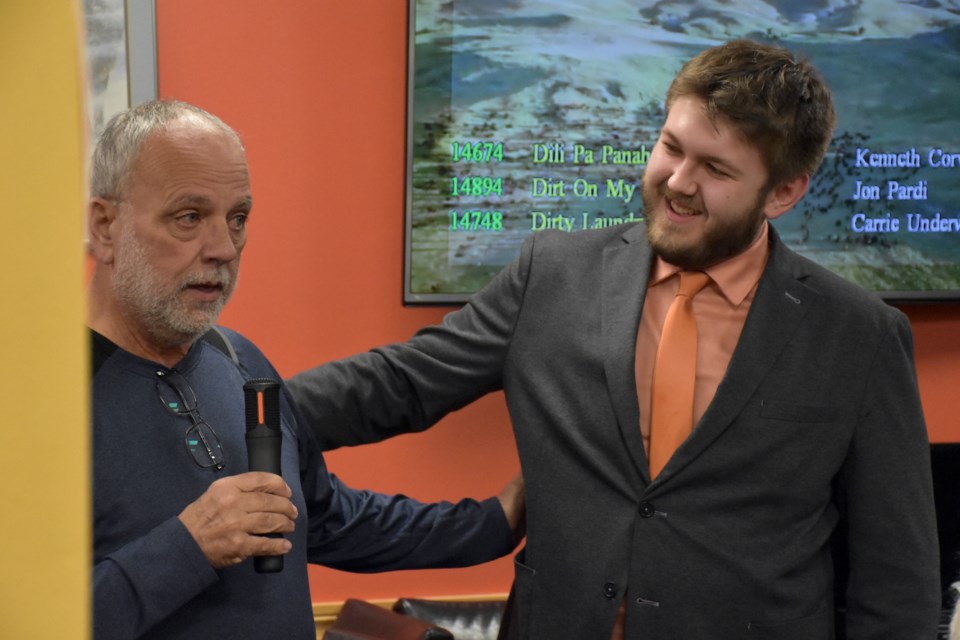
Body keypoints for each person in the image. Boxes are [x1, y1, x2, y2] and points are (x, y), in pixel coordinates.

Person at [286, 39, 940, 639]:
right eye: (672, 147)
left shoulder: (860, 337)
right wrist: (230, 410)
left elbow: (897, 580)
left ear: (785, 191)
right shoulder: (550, 273)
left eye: (715, 168)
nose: (679, 182)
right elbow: (396, 385)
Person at [86, 99, 525, 640]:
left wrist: (492, 523)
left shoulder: (239, 360)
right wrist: (187, 547)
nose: (223, 248)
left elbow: (327, 518)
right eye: (189, 217)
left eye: (238, 218)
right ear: (105, 226)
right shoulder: (41, 403)